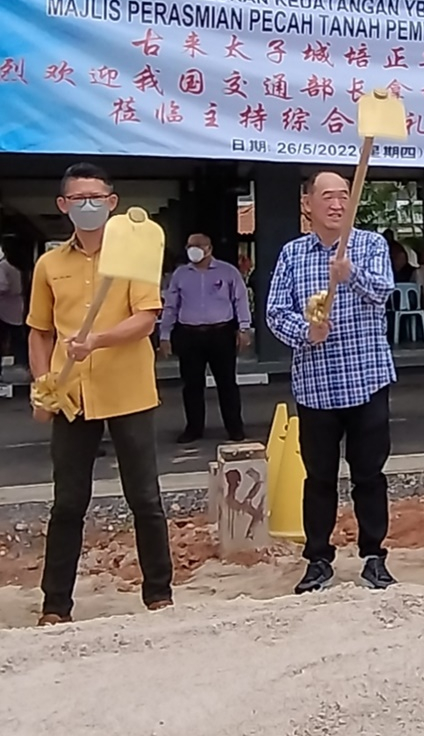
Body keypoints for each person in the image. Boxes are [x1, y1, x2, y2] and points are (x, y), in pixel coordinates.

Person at [27, 162, 173, 625]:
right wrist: (41, 385)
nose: (87, 206)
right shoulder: (49, 265)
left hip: (128, 390)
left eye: (96, 197)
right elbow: (40, 332)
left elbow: (146, 318)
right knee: (69, 501)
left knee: (144, 497)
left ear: (112, 203)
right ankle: (55, 605)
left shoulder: (133, 257)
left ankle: (158, 594)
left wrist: (98, 341)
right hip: (71, 395)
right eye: (78, 198)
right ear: (63, 206)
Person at [266, 170, 397, 593]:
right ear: (309, 204)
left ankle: (374, 556)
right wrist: (307, 332)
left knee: (369, 475)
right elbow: (274, 312)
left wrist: (349, 274)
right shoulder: (292, 254)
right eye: (327, 197)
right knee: (318, 478)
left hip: (367, 378)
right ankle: (318, 559)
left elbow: (383, 291)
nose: (337, 204)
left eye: (344, 196)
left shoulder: (370, 245)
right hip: (316, 386)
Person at [160, 232, 252, 444]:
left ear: (209, 248)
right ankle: (193, 428)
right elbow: (171, 306)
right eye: (190, 245)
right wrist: (165, 335)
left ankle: (235, 428)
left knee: (227, 383)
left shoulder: (227, 272)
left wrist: (244, 328)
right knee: (192, 384)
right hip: (189, 334)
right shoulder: (180, 274)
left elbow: (240, 300)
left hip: (221, 333)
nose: (193, 249)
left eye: (198, 245)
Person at [0, 239, 28, 380]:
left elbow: (2, 286)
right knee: (18, 337)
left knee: (5, 337)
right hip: (17, 305)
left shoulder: (4, 266)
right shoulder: (21, 267)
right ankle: (22, 364)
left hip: (4, 308)